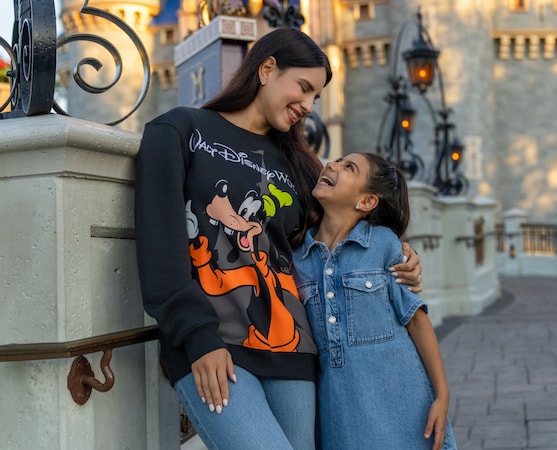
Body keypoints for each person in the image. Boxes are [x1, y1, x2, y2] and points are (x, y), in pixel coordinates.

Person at [134, 28, 422, 450]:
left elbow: (347, 227)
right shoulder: (179, 130)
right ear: (267, 68)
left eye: (315, 98)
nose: (307, 106)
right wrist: (198, 337)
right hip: (213, 340)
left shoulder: (302, 167)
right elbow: (159, 244)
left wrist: (400, 250)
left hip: (293, 347)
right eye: (303, 88)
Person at [292, 152, 457, 450]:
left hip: (401, 397)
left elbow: (417, 321)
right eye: (338, 160)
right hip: (339, 406)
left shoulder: (384, 245)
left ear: (367, 201)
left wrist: (442, 394)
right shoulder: (298, 257)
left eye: (348, 167)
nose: (332, 165)